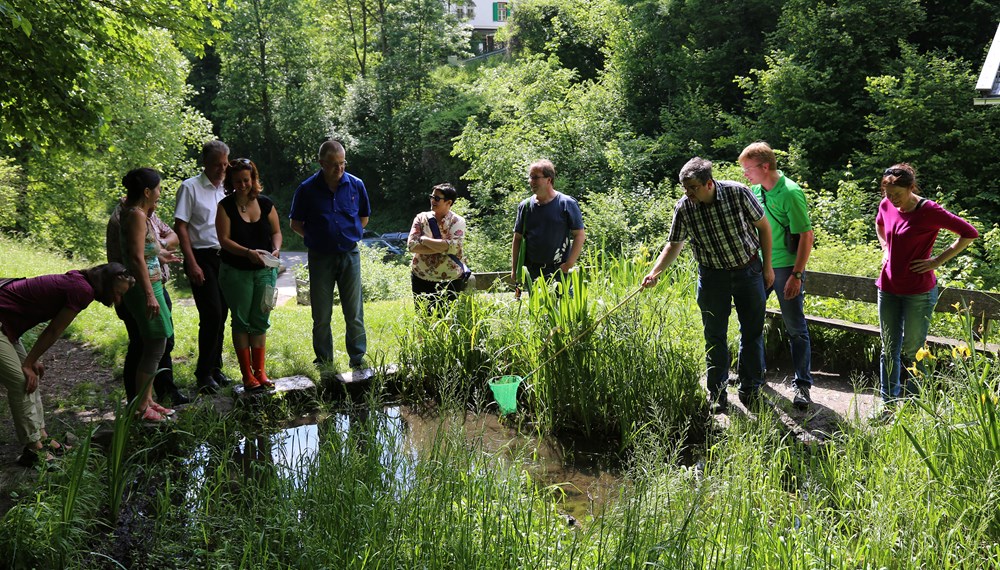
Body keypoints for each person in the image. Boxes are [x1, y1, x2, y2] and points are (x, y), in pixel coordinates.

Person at [641, 157, 774, 414]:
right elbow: (674, 244)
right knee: (714, 335)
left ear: (709, 183)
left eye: (692, 188)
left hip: (748, 270)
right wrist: (654, 272)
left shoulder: (738, 193)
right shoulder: (684, 208)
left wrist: (767, 267)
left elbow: (764, 229)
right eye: (684, 188)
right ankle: (717, 393)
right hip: (713, 277)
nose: (688, 193)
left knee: (752, 331)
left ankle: (751, 389)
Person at [1, 263, 133, 465]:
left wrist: (32, 360)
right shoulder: (81, 290)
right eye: (117, 293)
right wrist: (28, 362)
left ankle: (41, 438)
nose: (117, 300)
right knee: (21, 381)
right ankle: (33, 450)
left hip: (7, 327)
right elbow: (54, 331)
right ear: (105, 283)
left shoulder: (80, 283)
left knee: (31, 378)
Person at [876, 163, 978, 409]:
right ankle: (887, 404)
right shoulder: (886, 204)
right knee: (888, 349)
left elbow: (969, 233)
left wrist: (936, 261)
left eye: (897, 195)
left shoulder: (929, 210)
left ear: (911, 188)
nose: (892, 200)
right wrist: (885, 248)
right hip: (888, 287)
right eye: (888, 194)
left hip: (918, 293)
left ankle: (914, 406)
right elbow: (880, 225)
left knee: (913, 351)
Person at [739, 142, 815, 410]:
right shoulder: (756, 191)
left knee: (795, 327)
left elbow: (806, 235)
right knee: (750, 324)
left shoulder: (791, 193)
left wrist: (797, 273)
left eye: (748, 169)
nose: (745, 174)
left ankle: (802, 385)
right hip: (759, 266)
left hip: (786, 269)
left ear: (765, 166)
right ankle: (755, 378)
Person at [289, 140, 370, 370]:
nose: (339, 169)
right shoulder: (306, 189)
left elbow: (363, 218)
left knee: (354, 311)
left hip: (349, 254)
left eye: (343, 163)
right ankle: (324, 361)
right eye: (334, 164)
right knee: (321, 314)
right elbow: (295, 223)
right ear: (321, 163)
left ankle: (357, 358)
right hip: (320, 257)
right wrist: (316, 238)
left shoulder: (356, 185)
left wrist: (345, 235)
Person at [107, 197, 189, 405]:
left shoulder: (148, 213)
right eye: (156, 193)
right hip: (136, 289)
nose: (158, 201)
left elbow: (173, 236)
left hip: (156, 286)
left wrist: (157, 246)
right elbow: (135, 256)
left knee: (163, 341)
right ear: (145, 192)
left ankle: (163, 393)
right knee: (141, 344)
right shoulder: (126, 217)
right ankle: (138, 401)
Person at [216, 158, 282, 391]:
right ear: (230, 182)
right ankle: (247, 376)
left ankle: (260, 372)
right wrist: (247, 253)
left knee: (260, 321)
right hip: (236, 272)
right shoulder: (225, 206)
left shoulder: (265, 204)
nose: (242, 184)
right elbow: (224, 240)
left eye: (246, 179)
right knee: (242, 322)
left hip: (265, 271)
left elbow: (276, 232)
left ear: (253, 179)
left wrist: (275, 249)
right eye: (237, 181)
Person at [119, 168, 178, 422]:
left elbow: (145, 251)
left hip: (152, 284)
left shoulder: (141, 214)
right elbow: (133, 257)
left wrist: (162, 255)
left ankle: (149, 400)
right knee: (155, 343)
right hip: (145, 288)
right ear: (146, 191)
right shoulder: (135, 215)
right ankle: (142, 408)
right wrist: (149, 295)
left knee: (158, 341)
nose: (160, 193)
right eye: (158, 188)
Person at [175, 140, 231, 394]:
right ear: (205, 164)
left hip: (225, 257)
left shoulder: (226, 190)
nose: (222, 169)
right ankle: (203, 373)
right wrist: (191, 262)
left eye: (225, 163)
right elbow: (181, 227)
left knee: (223, 314)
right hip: (201, 257)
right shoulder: (191, 188)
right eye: (218, 164)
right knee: (212, 315)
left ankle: (216, 368)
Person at [510, 159, 585, 289]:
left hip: (559, 271)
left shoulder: (566, 204)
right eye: (530, 177)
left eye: (535, 177)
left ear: (548, 180)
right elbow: (517, 238)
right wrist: (515, 268)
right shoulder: (525, 206)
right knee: (537, 309)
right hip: (532, 273)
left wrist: (569, 264)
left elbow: (579, 235)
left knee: (563, 309)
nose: (531, 181)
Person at [407, 183, 469, 314]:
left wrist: (424, 240)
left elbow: (454, 248)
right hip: (421, 277)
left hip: (450, 280)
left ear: (449, 202)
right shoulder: (421, 218)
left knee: (448, 319)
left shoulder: (457, 221)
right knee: (423, 318)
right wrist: (443, 246)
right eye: (432, 197)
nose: (432, 201)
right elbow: (412, 245)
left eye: (437, 198)